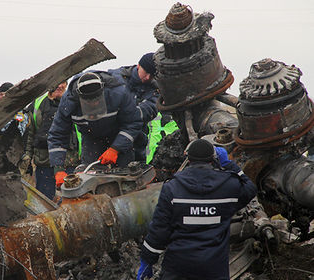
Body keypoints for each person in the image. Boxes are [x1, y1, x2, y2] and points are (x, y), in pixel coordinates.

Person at [138, 139, 257, 280]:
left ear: (188, 160)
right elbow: (250, 188)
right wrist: (228, 164)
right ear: (213, 159)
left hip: (178, 267)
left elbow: (160, 229)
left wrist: (147, 260)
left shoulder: (172, 188)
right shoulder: (229, 186)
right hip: (213, 269)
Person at [48, 71, 143, 188]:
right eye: (89, 102)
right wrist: (58, 169)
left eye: (97, 100)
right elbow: (57, 134)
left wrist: (116, 148)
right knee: (89, 178)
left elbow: (133, 123)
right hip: (91, 138)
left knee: (126, 177)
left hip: (118, 135)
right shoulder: (68, 102)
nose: (95, 104)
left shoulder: (118, 93)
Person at [20, 81, 80, 200]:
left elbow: (83, 133)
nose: (60, 86)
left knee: (72, 203)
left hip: (70, 165)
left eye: (63, 82)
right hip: (44, 165)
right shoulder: (38, 104)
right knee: (45, 203)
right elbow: (30, 135)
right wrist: (26, 158)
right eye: (57, 82)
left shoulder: (76, 103)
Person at [108, 52, 159, 163]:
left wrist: (124, 112)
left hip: (137, 142)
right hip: (106, 139)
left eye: (152, 75)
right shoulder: (114, 78)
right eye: (146, 73)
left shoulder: (156, 90)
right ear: (139, 66)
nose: (148, 78)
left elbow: (150, 110)